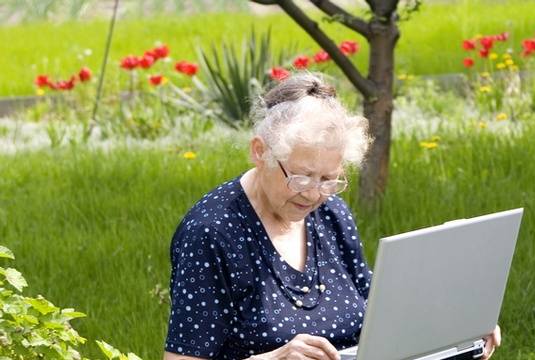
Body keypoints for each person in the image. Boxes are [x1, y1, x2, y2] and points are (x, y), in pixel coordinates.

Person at [163, 73, 501, 360]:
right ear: (259, 152)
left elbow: (377, 312)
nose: (313, 194)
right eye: (300, 176)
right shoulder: (210, 232)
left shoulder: (331, 212)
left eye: (328, 179)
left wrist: (458, 325)